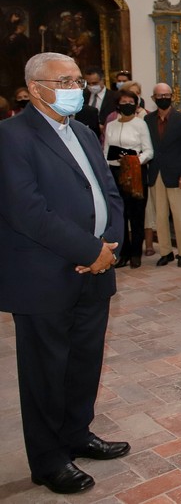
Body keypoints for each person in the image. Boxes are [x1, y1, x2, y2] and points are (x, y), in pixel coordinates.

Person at [0, 52, 128, 495]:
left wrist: (110, 246)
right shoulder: (11, 137)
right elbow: (27, 211)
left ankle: (77, 433)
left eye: (78, 79)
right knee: (45, 371)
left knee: (84, 362)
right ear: (36, 88)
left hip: (95, 271)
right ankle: (49, 459)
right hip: (44, 275)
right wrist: (90, 249)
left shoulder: (85, 132)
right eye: (66, 80)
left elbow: (109, 193)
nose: (77, 88)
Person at [145, 82, 181, 267]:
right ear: (153, 98)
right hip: (156, 173)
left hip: (178, 175)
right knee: (160, 216)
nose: (163, 99)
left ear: (172, 97)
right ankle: (165, 252)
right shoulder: (148, 120)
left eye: (167, 95)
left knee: (180, 216)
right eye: (160, 96)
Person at [103, 89, 153, 269]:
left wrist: (133, 160)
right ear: (118, 104)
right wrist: (113, 159)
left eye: (130, 102)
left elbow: (149, 151)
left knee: (137, 215)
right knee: (120, 215)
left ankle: (135, 253)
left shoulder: (141, 124)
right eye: (123, 102)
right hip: (116, 173)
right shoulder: (111, 125)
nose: (127, 105)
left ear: (136, 104)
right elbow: (105, 151)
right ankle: (122, 252)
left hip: (136, 173)